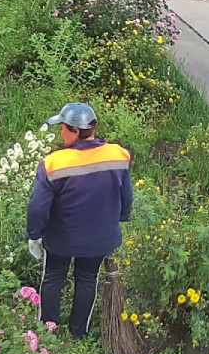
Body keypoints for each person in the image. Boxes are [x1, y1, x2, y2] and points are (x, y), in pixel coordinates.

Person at [26, 102, 133, 339]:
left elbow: (37, 207)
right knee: (87, 279)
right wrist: (120, 219)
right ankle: (78, 333)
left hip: (62, 238)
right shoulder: (118, 155)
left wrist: (34, 234)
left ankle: (48, 333)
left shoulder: (54, 163)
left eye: (62, 127)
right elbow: (126, 196)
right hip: (99, 238)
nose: (60, 132)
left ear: (74, 131)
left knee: (53, 277)